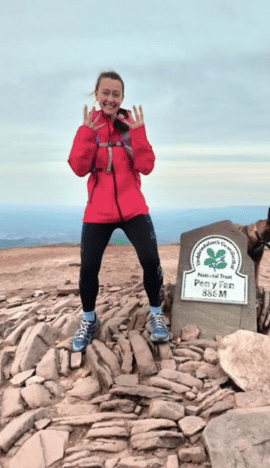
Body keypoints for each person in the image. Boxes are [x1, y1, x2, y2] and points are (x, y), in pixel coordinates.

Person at [68, 70, 168, 352]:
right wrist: (87, 134)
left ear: (122, 97)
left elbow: (146, 167)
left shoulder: (130, 125)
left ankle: (156, 314)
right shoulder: (89, 126)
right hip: (98, 211)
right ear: (96, 94)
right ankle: (89, 319)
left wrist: (138, 133)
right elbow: (78, 168)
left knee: (150, 260)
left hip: (133, 207)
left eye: (116, 94)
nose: (110, 99)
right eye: (105, 93)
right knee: (88, 268)